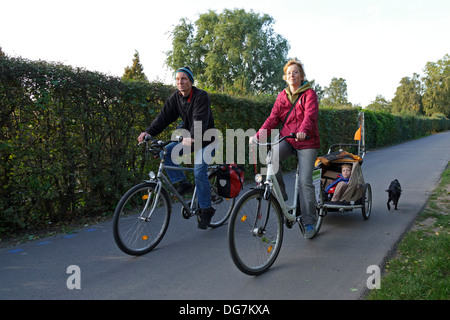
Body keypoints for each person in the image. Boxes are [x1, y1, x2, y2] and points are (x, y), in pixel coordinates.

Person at [138, 66, 216, 229]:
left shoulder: (201, 96)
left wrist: (193, 135)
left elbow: (199, 118)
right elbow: (163, 117)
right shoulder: (176, 98)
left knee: (199, 171)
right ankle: (182, 182)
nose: (180, 82)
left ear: (191, 81)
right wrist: (148, 132)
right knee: (166, 153)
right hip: (190, 138)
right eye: (178, 79)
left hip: (207, 139)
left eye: (184, 79)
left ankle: (207, 209)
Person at [250, 58, 320, 239]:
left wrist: (303, 131)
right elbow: (273, 118)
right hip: (289, 138)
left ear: (301, 75)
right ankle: (281, 195)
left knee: (305, 181)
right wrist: (258, 137)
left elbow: (310, 117)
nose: (292, 75)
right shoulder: (282, 96)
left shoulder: (309, 94)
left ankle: (309, 221)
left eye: (296, 72)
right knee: (270, 159)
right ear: (285, 77)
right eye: (289, 73)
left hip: (307, 141)